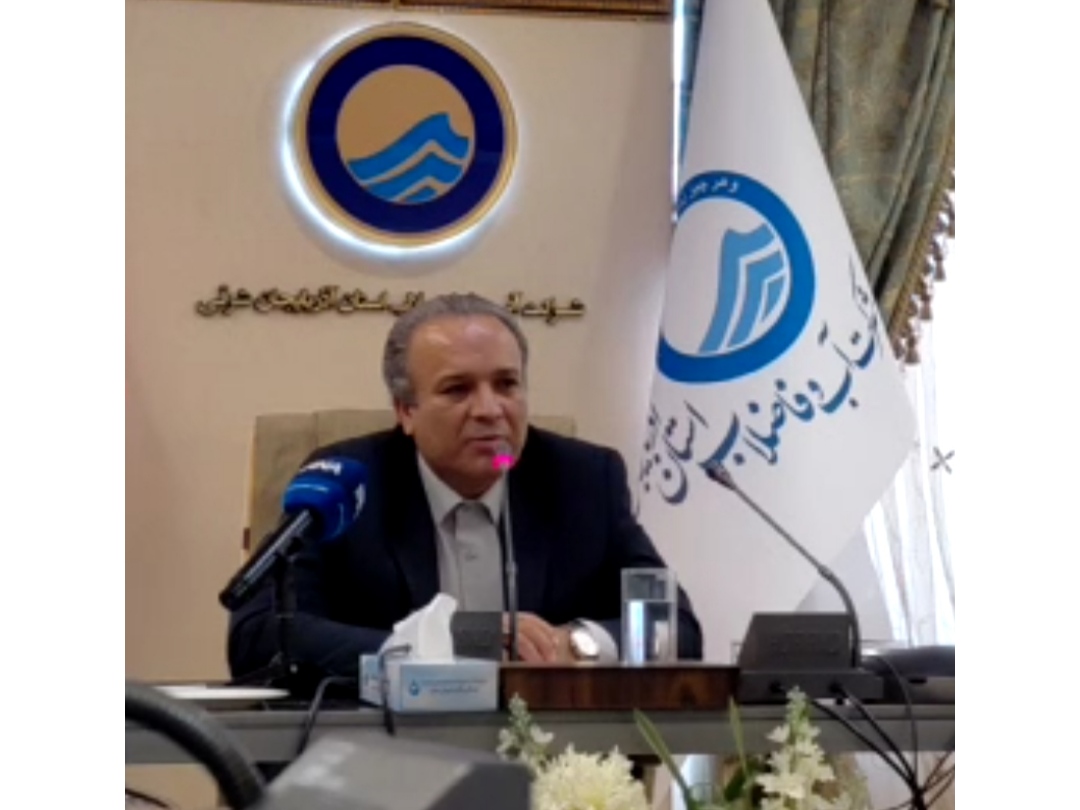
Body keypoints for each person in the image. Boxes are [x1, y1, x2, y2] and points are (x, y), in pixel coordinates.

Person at [227, 293, 703, 680]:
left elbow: (674, 628)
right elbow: (258, 636)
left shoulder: (582, 479)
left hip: (548, 754)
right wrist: (446, 642)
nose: (490, 410)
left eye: (506, 385)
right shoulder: (349, 485)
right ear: (406, 411)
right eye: (458, 389)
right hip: (389, 752)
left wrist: (575, 644)